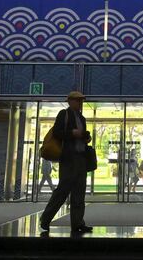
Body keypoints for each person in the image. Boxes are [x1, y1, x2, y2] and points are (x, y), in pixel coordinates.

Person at [40, 91, 93, 234]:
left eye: (81, 101)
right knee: (63, 190)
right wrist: (72, 133)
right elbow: (57, 132)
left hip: (81, 157)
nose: (80, 103)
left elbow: (82, 135)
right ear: (69, 101)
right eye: (77, 100)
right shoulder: (64, 114)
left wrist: (85, 137)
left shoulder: (82, 118)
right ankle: (45, 219)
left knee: (79, 191)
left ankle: (77, 223)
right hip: (68, 158)